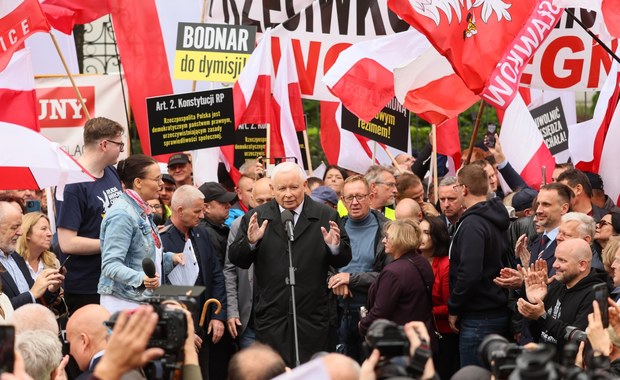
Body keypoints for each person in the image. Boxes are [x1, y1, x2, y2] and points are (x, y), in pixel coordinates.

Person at [229, 162, 352, 366]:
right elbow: (237, 259)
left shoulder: (325, 215)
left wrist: (334, 246)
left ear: (304, 185)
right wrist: (250, 242)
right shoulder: (256, 217)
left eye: (293, 187)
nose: (288, 194)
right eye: (281, 189)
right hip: (272, 317)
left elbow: (343, 258)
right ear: (272, 189)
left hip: (312, 317)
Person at [98, 154, 184, 314]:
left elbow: (144, 257)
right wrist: (141, 279)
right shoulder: (122, 214)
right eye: (157, 179)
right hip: (124, 303)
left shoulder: (141, 210)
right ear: (138, 182)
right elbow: (110, 265)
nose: (161, 184)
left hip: (140, 300)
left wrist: (171, 258)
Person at [55, 117, 124, 314]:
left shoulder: (111, 172)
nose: (121, 149)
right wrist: (114, 243)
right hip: (87, 286)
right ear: (104, 144)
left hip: (114, 279)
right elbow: (67, 242)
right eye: (119, 144)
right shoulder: (72, 183)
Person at [160, 185, 227, 380]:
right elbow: (161, 289)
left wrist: (218, 316)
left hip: (204, 324)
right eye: (197, 211)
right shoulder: (161, 240)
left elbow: (216, 275)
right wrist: (183, 329)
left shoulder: (202, 234)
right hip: (177, 329)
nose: (202, 216)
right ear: (180, 211)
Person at [448, 164, 510, 368]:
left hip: (479, 317)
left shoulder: (473, 224)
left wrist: (454, 307)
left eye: (456, 186)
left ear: (464, 189)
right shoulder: (491, 217)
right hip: (492, 310)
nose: (455, 190)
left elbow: (470, 272)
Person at [327, 175, 389, 363]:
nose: (354, 202)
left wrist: (350, 278)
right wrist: (335, 279)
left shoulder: (386, 230)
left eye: (360, 197)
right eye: (349, 198)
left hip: (373, 312)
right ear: (342, 201)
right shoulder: (335, 227)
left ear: (370, 197)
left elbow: (389, 276)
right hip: (338, 313)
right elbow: (321, 265)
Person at [518, 239, 611, 360]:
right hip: (543, 363)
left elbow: (578, 342)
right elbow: (536, 333)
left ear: (582, 265)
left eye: (562, 260)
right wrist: (535, 301)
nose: (554, 264)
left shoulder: (596, 295)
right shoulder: (557, 284)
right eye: (556, 258)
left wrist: (542, 317)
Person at [358, 219, 435, 349]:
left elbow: (380, 312)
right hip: (421, 337)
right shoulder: (422, 261)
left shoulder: (393, 272)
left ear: (399, 240)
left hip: (399, 344)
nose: (383, 241)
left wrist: (363, 325)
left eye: (387, 237)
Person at [224, 177, 274, 350]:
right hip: (249, 317)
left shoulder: (285, 224)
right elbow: (229, 270)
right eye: (260, 200)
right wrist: (232, 311)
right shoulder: (239, 225)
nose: (264, 204)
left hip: (278, 318)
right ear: (251, 200)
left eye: (269, 200)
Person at [0, 202, 64, 310]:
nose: (20, 232)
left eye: (20, 226)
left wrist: (51, 289)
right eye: (14, 227)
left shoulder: (15, 257)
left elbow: (36, 300)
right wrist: (31, 294)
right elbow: (3, 310)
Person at [418, 216, 458, 380]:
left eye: (426, 232)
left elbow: (449, 305)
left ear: (437, 236)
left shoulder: (445, 265)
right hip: (423, 332)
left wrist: (423, 311)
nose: (421, 237)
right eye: (419, 232)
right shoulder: (416, 261)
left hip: (444, 333)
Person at [16, 213, 60, 279]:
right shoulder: (12, 262)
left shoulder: (53, 262)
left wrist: (56, 288)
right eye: (43, 229)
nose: (50, 234)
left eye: (49, 229)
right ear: (27, 233)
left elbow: (60, 288)